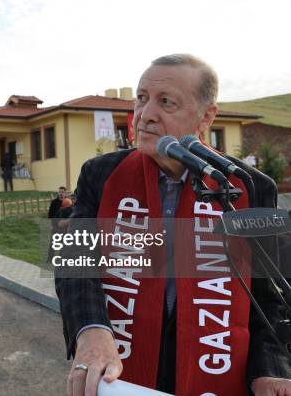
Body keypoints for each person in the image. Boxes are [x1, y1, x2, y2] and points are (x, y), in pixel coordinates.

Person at [57, 54, 291, 396]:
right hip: (121, 374)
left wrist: (268, 371)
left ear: (206, 115)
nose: (144, 114)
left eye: (165, 102)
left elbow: (270, 300)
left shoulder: (251, 187)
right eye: (141, 99)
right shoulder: (100, 174)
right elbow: (73, 262)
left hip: (217, 371)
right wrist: (90, 329)